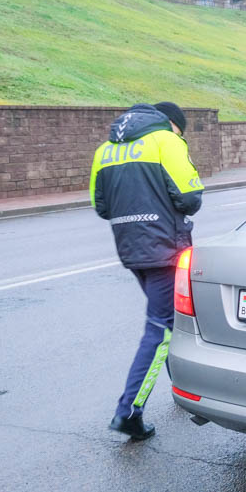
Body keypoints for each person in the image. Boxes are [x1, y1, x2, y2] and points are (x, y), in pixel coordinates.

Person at [89, 101, 204, 440]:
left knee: (170, 321)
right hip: (166, 248)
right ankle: (128, 411)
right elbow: (190, 196)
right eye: (179, 131)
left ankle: (183, 388)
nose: (179, 136)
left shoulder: (106, 151)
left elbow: (101, 207)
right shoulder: (166, 141)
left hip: (131, 249)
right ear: (171, 123)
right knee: (162, 328)